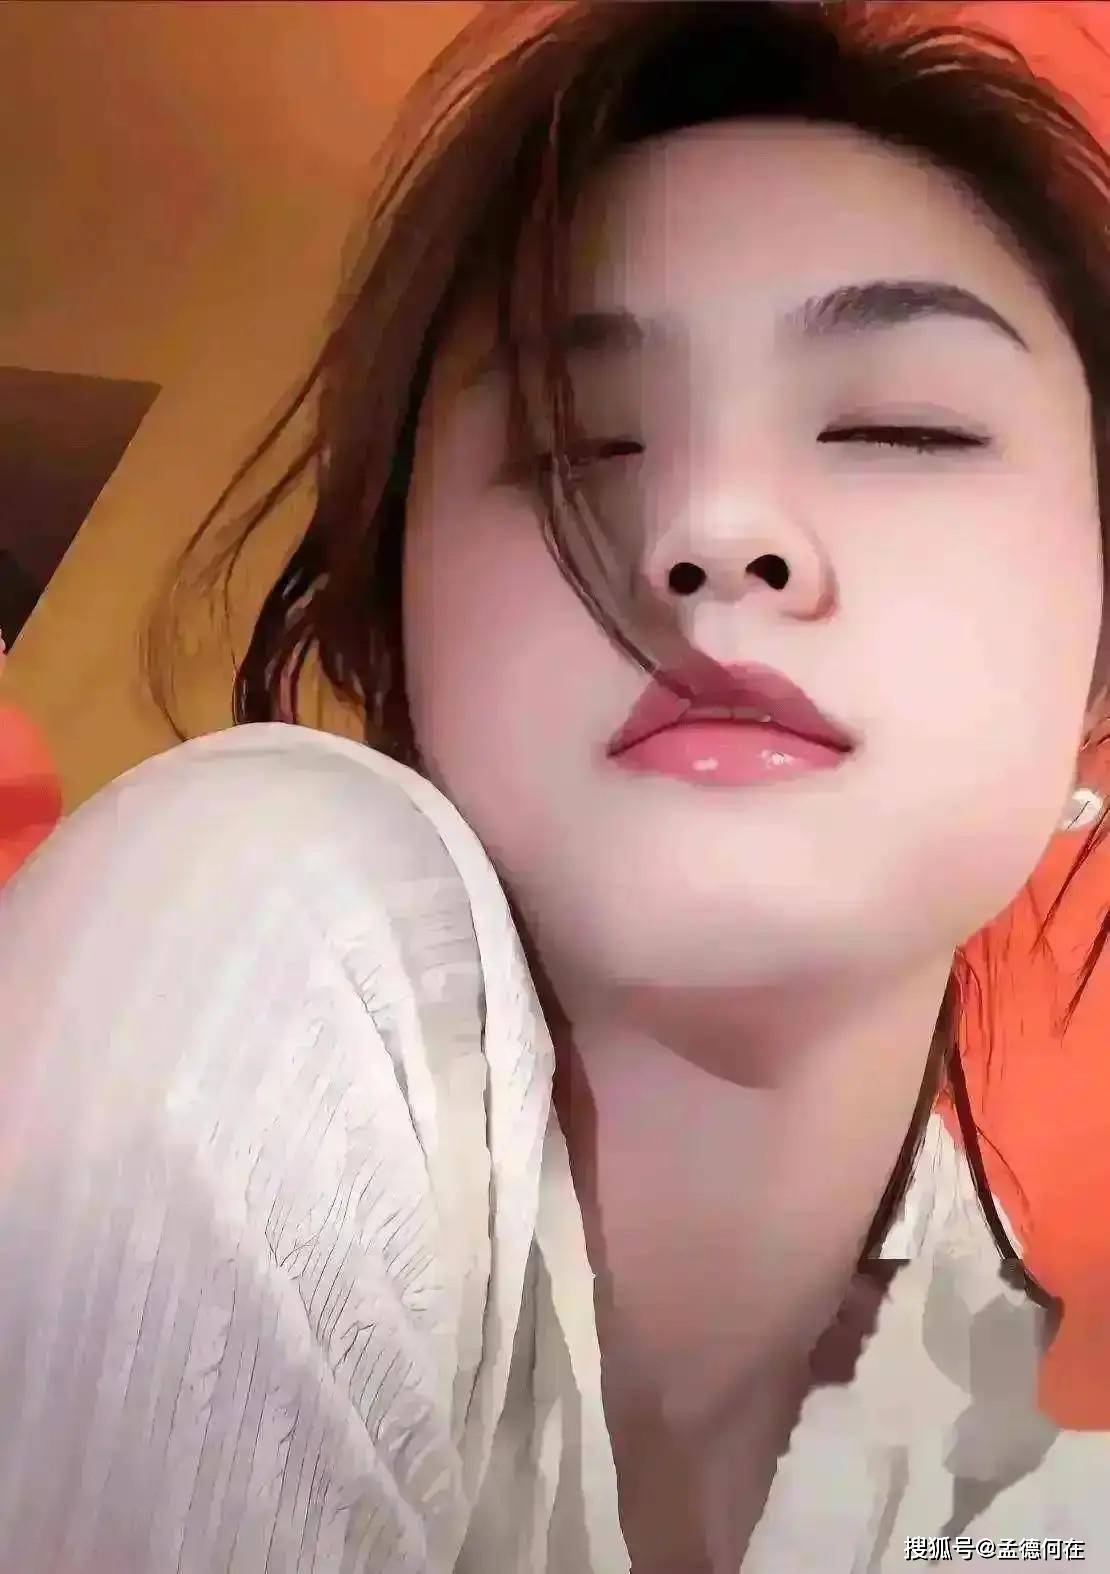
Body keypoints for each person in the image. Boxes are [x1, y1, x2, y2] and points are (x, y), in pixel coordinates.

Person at [2, 2, 1109, 1568]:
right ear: (396, 638)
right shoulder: (247, 906)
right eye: (578, 445)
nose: (713, 528)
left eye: (895, 426)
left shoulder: (998, 1437)